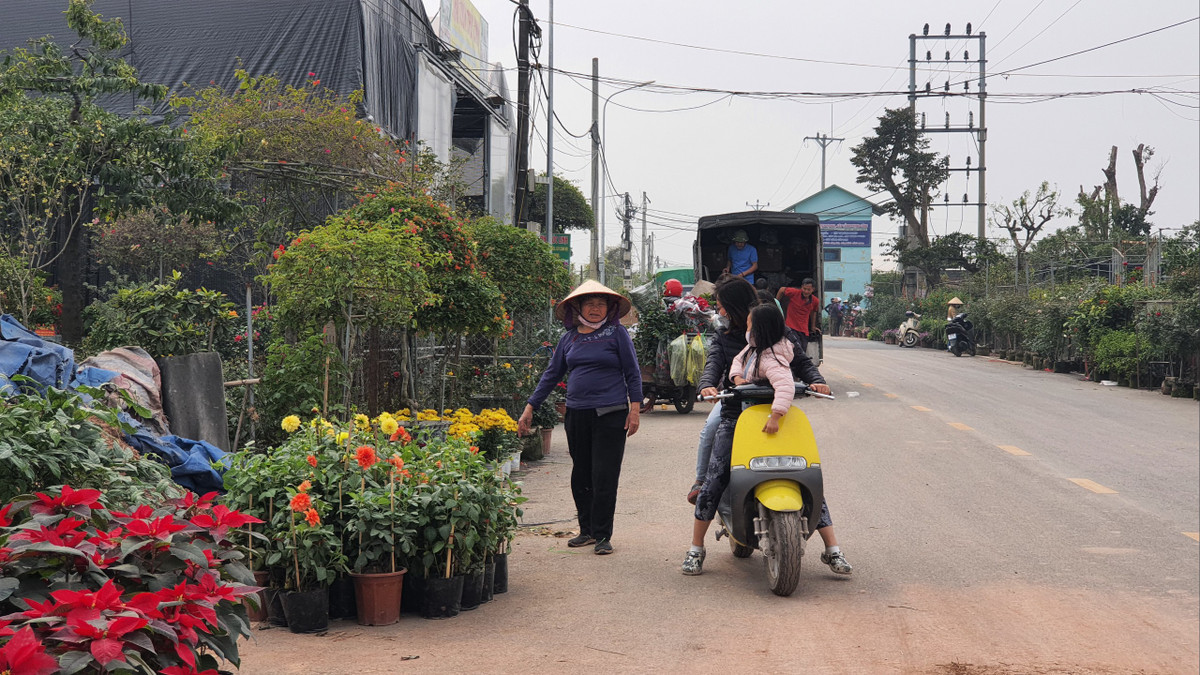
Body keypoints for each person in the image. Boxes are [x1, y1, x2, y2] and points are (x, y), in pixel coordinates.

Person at [684, 304, 852, 576]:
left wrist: (815, 383)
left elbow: (791, 379)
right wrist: (726, 380)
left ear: (759, 328)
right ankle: (696, 548)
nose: (745, 327)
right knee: (714, 481)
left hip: (777, 421)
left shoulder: (776, 353)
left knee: (806, 479)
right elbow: (728, 364)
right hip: (736, 418)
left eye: (750, 324)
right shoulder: (745, 346)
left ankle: (832, 549)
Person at [519, 280, 642, 555]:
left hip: (611, 414)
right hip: (576, 414)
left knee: (604, 474)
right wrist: (530, 406)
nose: (595, 309)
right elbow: (552, 374)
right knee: (581, 474)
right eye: (590, 304)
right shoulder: (569, 338)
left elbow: (632, 372)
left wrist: (634, 410)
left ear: (609, 309)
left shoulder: (617, 334)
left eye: (600, 304)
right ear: (578, 308)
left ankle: (603, 535)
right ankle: (586, 530)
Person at [686, 277, 758, 505]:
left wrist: (815, 380)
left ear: (735, 307)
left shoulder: (773, 328)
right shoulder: (722, 334)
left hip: (772, 401)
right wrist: (707, 385)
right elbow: (713, 363)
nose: (720, 312)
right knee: (711, 428)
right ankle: (701, 482)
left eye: (721, 306)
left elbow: (799, 360)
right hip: (733, 400)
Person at [776, 277, 821, 354]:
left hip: (804, 330)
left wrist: (813, 326)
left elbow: (813, 312)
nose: (806, 291)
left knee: (802, 350)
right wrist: (776, 303)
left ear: (813, 290)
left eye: (808, 290)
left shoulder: (815, 301)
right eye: (804, 289)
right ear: (801, 287)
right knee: (795, 349)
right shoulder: (794, 293)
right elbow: (782, 290)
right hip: (791, 328)